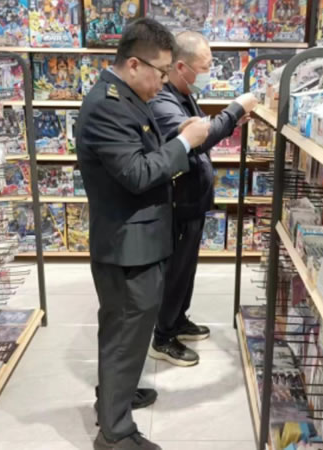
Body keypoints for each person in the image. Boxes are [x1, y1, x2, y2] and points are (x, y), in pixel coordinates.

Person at [76, 19, 210, 450]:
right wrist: (184, 143)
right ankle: (115, 433)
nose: (165, 80)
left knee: (125, 332)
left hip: (136, 241)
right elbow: (136, 173)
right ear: (134, 64)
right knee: (125, 333)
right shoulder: (108, 105)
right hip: (126, 248)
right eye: (161, 71)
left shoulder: (127, 98)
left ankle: (115, 398)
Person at [147, 31, 258, 367]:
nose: (210, 73)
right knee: (176, 272)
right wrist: (235, 110)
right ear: (181, 67)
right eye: (205, 67)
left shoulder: (183, 94)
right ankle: (163, 337)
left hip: (192, 201)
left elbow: (204, 134)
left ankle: (178, 320)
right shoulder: (162, 101)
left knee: (187, 270)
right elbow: (197, 137)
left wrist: (232, 121)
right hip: (177, 204)